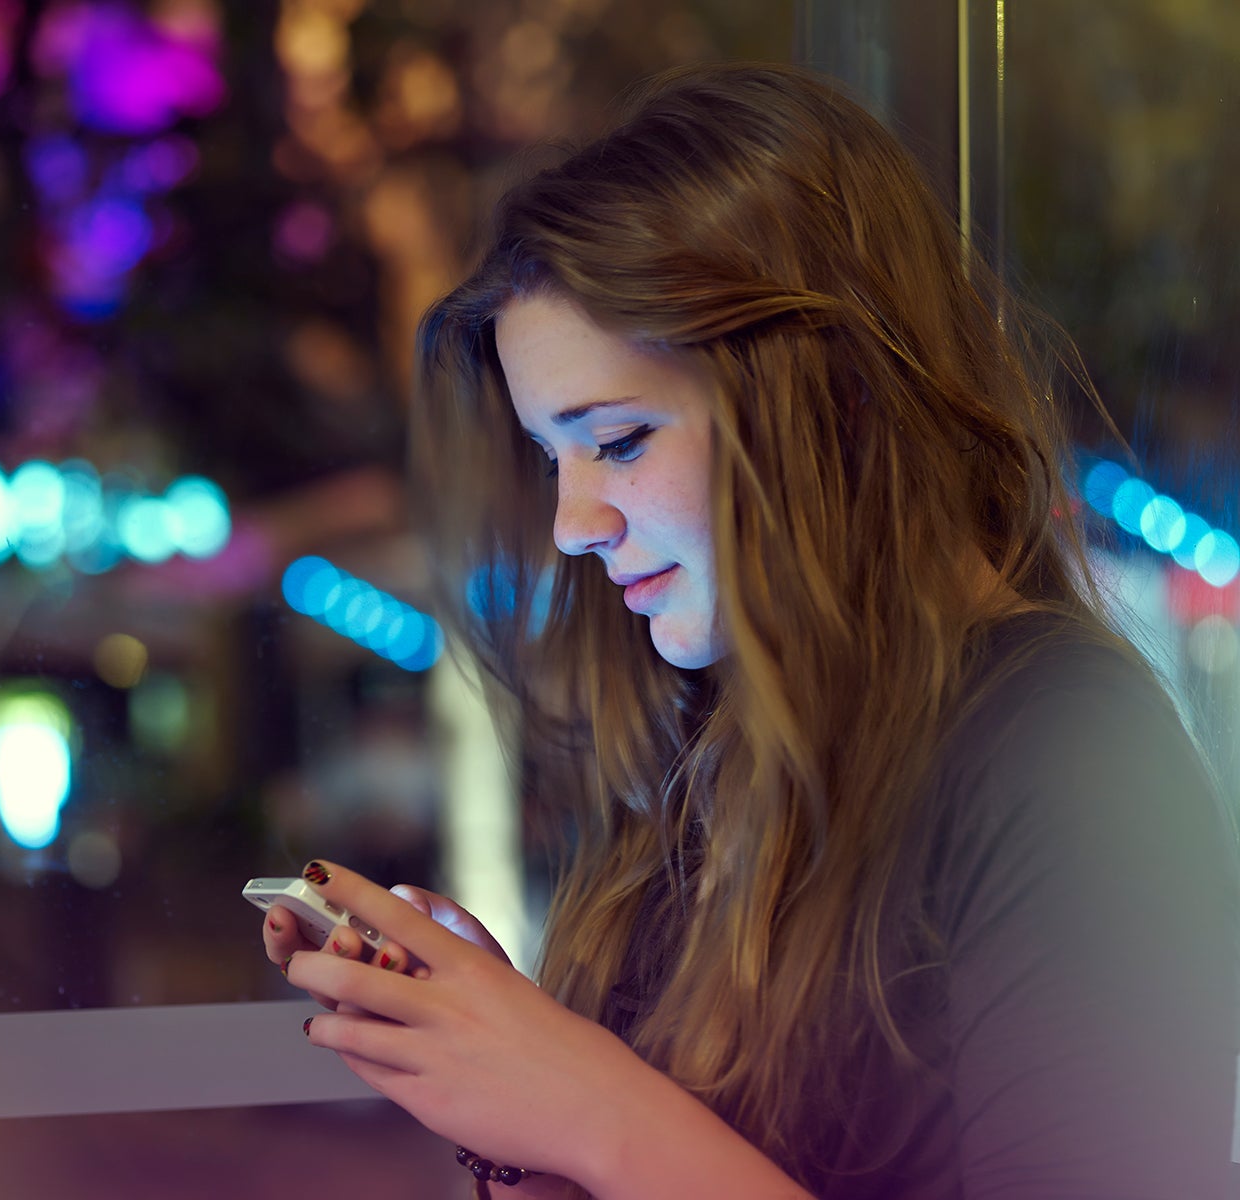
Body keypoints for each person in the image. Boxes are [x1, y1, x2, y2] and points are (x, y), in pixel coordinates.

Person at [259, 62, 1240, 1199]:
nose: (572, 525)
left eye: (618, 441)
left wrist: (586, 1100)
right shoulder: (710, 760)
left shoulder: (1068, 756)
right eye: (552, 458)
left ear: (833, 396)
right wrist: (501, 1069)